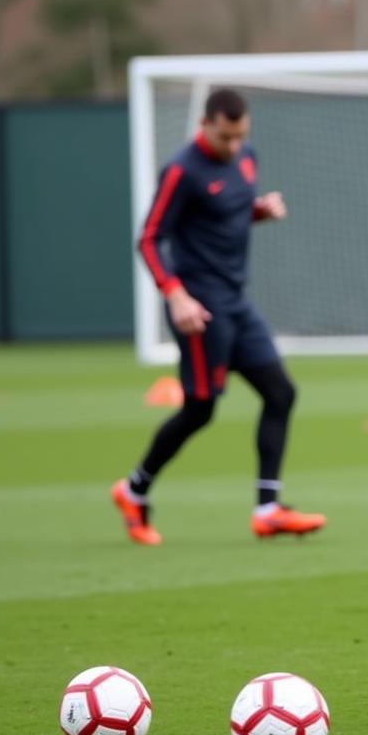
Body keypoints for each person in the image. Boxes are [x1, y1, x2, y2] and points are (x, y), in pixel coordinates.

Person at [111, 87, 326, 546]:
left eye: (239, 136)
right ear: (205, 124)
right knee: (200, 410)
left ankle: (268, 509)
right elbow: (149, 239)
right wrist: (175, 296)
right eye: (225, 136)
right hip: (199, 309)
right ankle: (133, 489)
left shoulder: (246, 158)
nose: (232, 146)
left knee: (281, 392)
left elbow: (221, 215)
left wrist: (257, 212)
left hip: (237, 302)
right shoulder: (181, 170)